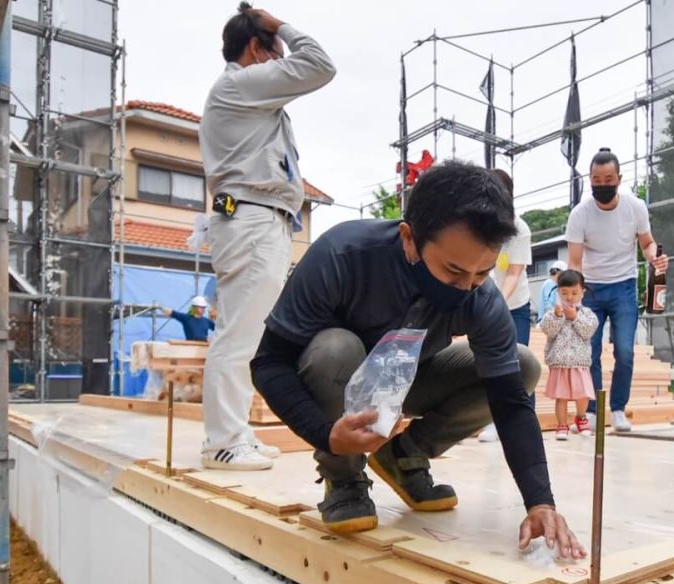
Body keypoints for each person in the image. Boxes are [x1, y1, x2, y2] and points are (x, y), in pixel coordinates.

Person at [250, 161, 585, 559]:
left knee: (521, 366)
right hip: (343, 377)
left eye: (480, 274)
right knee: (336, 348)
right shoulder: (343, 254)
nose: (466, 288)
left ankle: (403, 457)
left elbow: (511, 404)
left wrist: (540, 501)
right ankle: (344, 477)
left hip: (412, 377)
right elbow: (269, 362)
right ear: (409, 238)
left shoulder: (481, 297)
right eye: (454, 271)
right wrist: (325, 436)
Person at [199, 3, 336, 471]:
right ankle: (222, 441)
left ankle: (236, 433)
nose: (281, 64)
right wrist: (279, 25)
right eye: (275, 53)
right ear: (257, 49)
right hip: (250, 218)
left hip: (261, 219)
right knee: (239, 334)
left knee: (251, 336)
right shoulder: (239, 83)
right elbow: (320, 65)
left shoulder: (247, 94)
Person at [564, 148, 669, 432]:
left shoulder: (635, 207)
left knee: (625, 350)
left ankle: (619, 409)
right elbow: (574, 261)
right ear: (590, 180)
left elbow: (647, 242)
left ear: (619, 179)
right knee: (590, 351)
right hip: (592, 290)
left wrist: (655, 256)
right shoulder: (580, 215)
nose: (602, 185)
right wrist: (576, 299)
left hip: (624, 286)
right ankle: (594, 411)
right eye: (596, 180)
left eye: (608, 179)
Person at [479, 169, 534, 444]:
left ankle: (522, 423)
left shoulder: (519, 229)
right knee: (488, 365)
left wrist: (495, 305)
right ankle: (491, 420)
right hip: (485, 303)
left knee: (518, 363)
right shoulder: (477, 224)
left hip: (514, 305)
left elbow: (513, 273)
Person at [539, 270, 597, 440]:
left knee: (583, 394)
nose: (569, 297)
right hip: (559, 362)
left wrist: (575, 317)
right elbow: (547, 330)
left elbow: (588, 331)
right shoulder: (552, 312)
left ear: (582, 291)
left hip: (580, 362)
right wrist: (558, 316)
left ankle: (581, 418)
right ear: (558, 292)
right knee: (561, 397)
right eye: (564, 293)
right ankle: (562, 425)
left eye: (574, 293)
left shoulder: (587, 313)